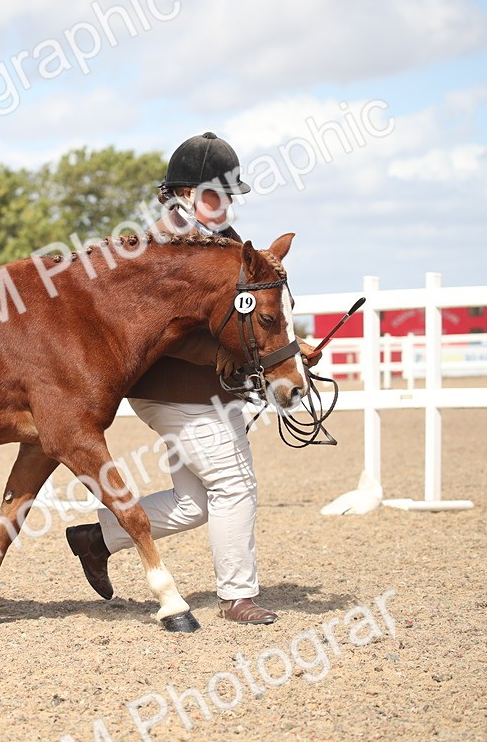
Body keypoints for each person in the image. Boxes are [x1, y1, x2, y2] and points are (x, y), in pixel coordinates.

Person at [64, 132, 320, 625]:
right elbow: (164, 328)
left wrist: (289, 352)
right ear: (182, 195)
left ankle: (97, 538)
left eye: (228, 194)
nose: (223, 204)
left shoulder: (218, 246)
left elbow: (243, 317)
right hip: (174, 391)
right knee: (234, 483)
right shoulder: (160, 248)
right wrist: (220, 356)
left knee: (194, 502)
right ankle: (238, 596)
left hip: (202, 394)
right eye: (211, 194)